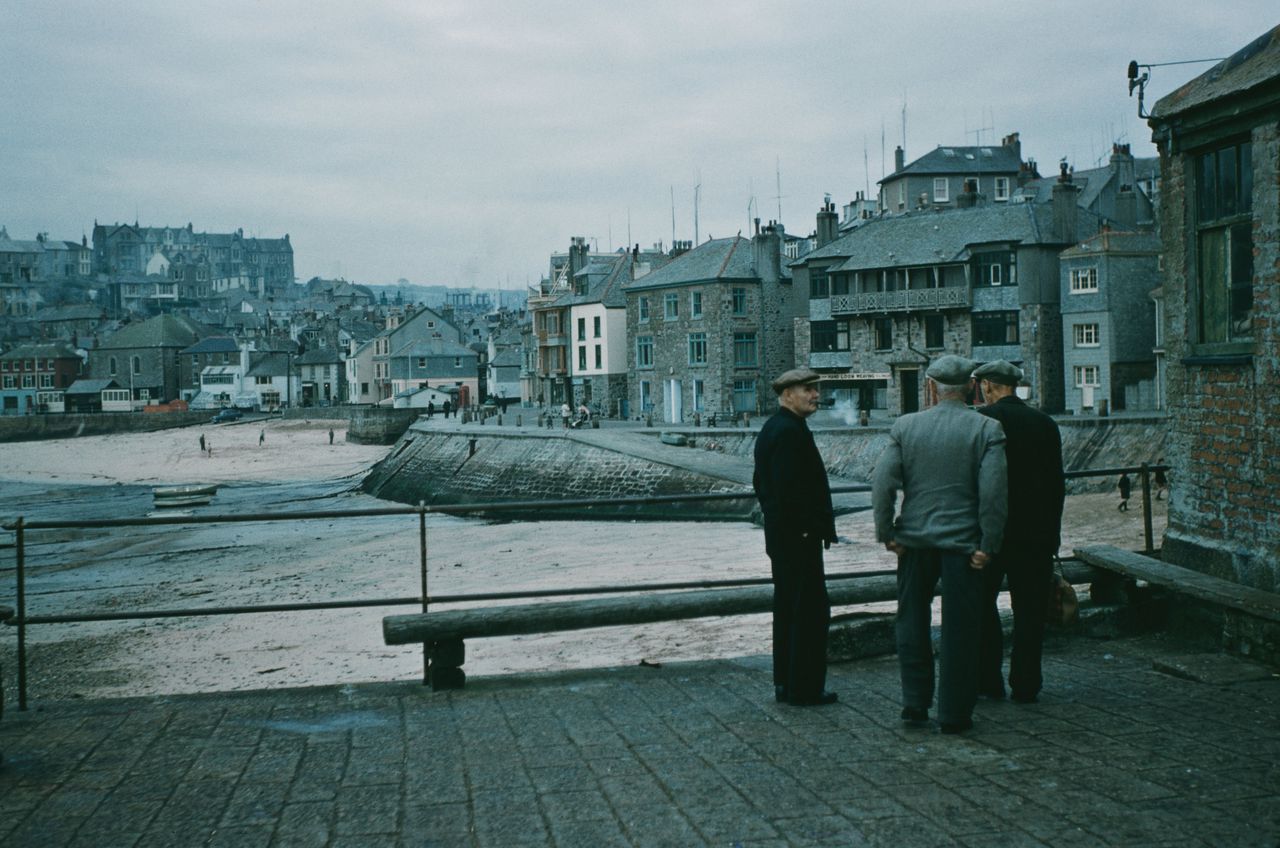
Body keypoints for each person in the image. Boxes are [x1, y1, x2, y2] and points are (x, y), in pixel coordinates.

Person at [872, 354, 1007, 734]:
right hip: (964, 546)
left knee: (911, 621)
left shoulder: (906, 426)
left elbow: (883, 484)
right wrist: (989, 543)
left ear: (930, 387)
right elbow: (994, 493)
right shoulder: (987, 429)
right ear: (970, 387)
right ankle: (954, 712)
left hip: (914, 542)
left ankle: (914, 702)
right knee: (961, 628)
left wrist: (887, 534)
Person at [973, 360, 1064, 705]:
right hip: (1037, 536)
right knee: (1029, 612)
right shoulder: (1045, 423)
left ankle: (988, 681)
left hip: (992, 535)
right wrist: (1053, 536)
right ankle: (1026, 684)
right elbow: (1057, 485)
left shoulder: (983, 421)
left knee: (983, 607)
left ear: (988, 386)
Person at [753, 367, 839, 707]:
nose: (816, 395)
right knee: (810, 612)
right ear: (787, 394)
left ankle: (786, 683)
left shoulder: (776, 427)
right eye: (808, 389)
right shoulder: (789, 432)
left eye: (815, 389)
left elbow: (764, 486)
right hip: (798, 538)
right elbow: (791, 492)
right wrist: (807, 528)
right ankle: (804, 688)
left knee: (788, 608)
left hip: (785, 538)